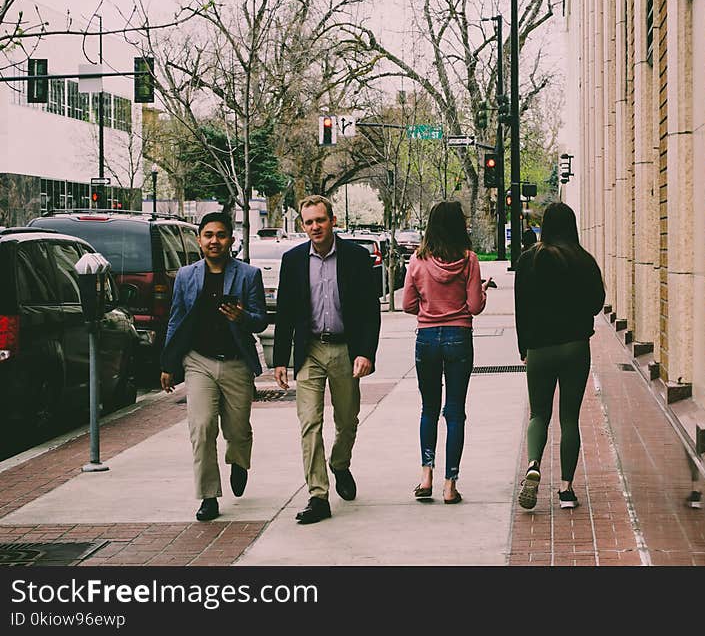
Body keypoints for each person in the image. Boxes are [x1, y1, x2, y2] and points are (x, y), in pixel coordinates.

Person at [273, 195, 380, 525]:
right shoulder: (292, 261)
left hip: (346, 349)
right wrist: (280, 360)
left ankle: (340, 463)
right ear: (302, 226)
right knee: (309, 424)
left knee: (347, 420)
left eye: (320, 220)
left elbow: (369, 311)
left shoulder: (356, 257)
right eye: (309, 222)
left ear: (333, 221)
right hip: (311, 352)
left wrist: (366, 352)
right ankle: (318, 495)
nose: (315, 227)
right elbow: (286, 314)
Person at [160, 212, 268, 522]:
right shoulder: (186, 276)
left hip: (236, 363)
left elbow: (260, 320)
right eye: (208, 235)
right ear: (199, 240)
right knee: (203, 427)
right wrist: (168, 362)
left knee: (238, 430)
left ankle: (238, 461)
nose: (214, 241)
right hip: (199, 362)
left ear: (231, 240)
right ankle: (208, 495)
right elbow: (176, 320)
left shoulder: (248, 275)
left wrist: (242, 317)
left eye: (220, 235)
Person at [514, 202, 605, 511]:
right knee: (569, 418)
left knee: (539, 414)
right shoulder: (584, 261)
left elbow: (521, 308)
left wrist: (523, 346)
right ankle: (566, 490)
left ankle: (533, 464)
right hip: (575, 347)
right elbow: (597, 304)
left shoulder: (528, 261)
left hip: (539, 347)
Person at [403, 201, 490, 504]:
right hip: (458, 337)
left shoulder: (417, 260)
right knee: (455, 412)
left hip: (426, 338)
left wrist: (429, 307)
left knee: (429, 408)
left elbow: (407, 305)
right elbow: (475, 306)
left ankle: (425, 475)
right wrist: (482, 293)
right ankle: (449, 484)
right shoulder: (469, 260)